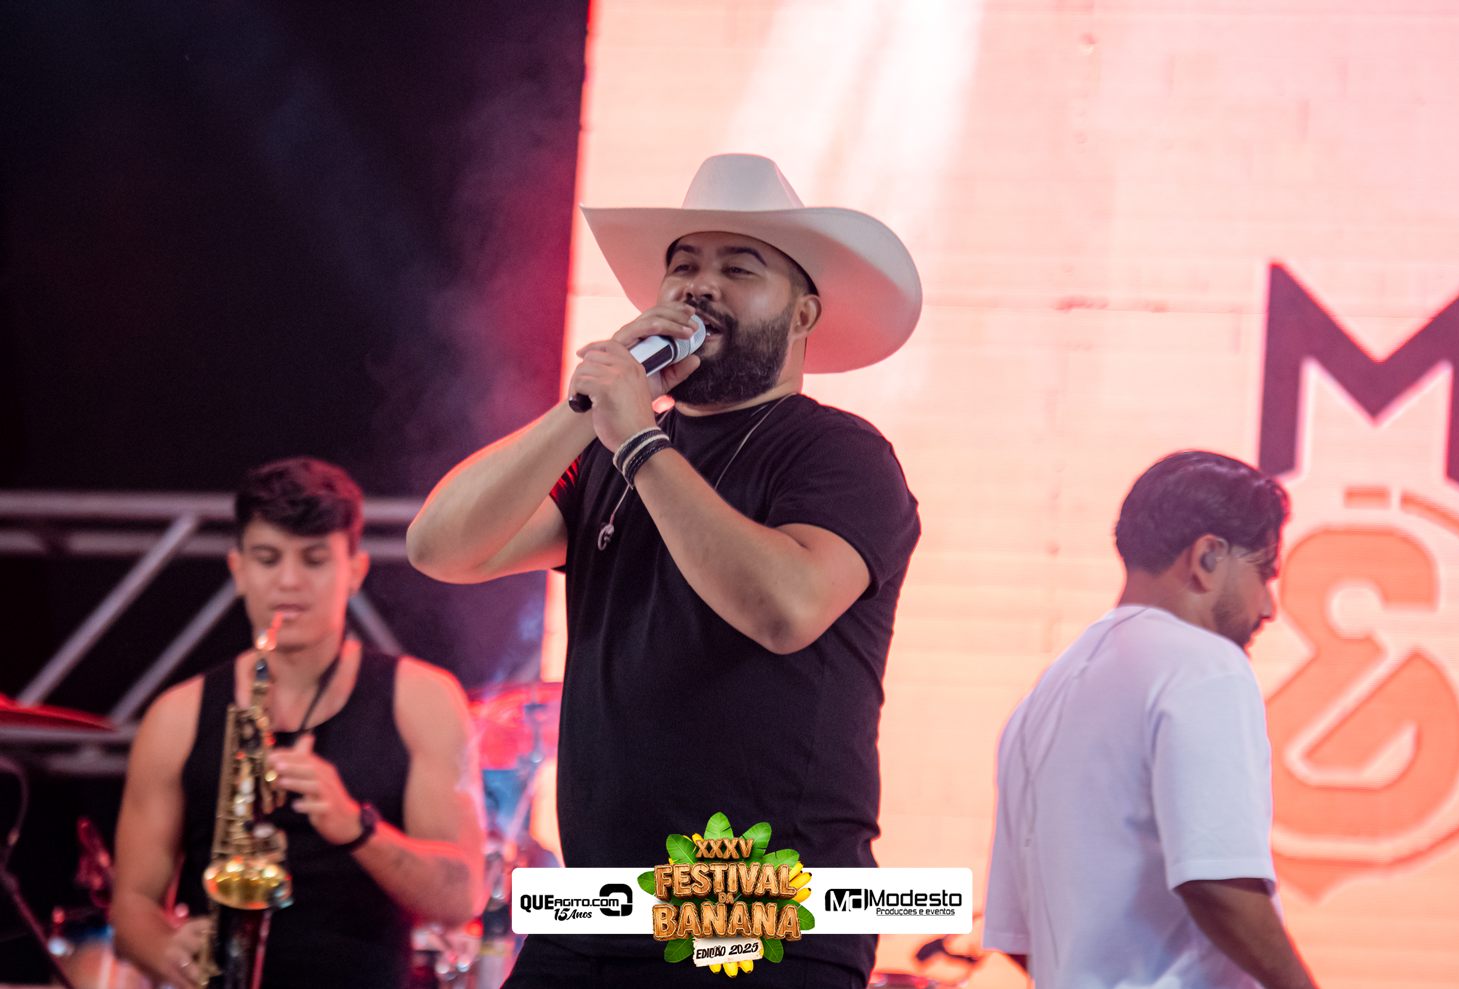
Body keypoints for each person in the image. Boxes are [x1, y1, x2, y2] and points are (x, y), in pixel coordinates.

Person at [408, 154, 923, 987]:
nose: (699, 286)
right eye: (682, 266)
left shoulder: (838, 453)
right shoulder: (610, 452)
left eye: (738, 268)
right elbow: (441, 546)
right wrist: (585, 408)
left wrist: (640, 442)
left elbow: (786, 607)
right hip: (597, 905)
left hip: (759, 900)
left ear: (803, 313)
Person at [112, 457, 486, 989]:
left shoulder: (424, 699)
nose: (289, 582)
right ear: (238, 570)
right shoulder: (175, 716)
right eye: (268, 559)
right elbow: (130, 905)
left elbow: (461, 897)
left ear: (354, 571)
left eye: (314, 560)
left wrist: (358, 828)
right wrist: (163, 948)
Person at [982, 451, 1319, 989]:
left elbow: (1017, 936)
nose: (1268, 607)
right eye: (1264, 573)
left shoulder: (1040, 700)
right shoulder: (1206, 666)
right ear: (1207, 556)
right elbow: (1217, 883)